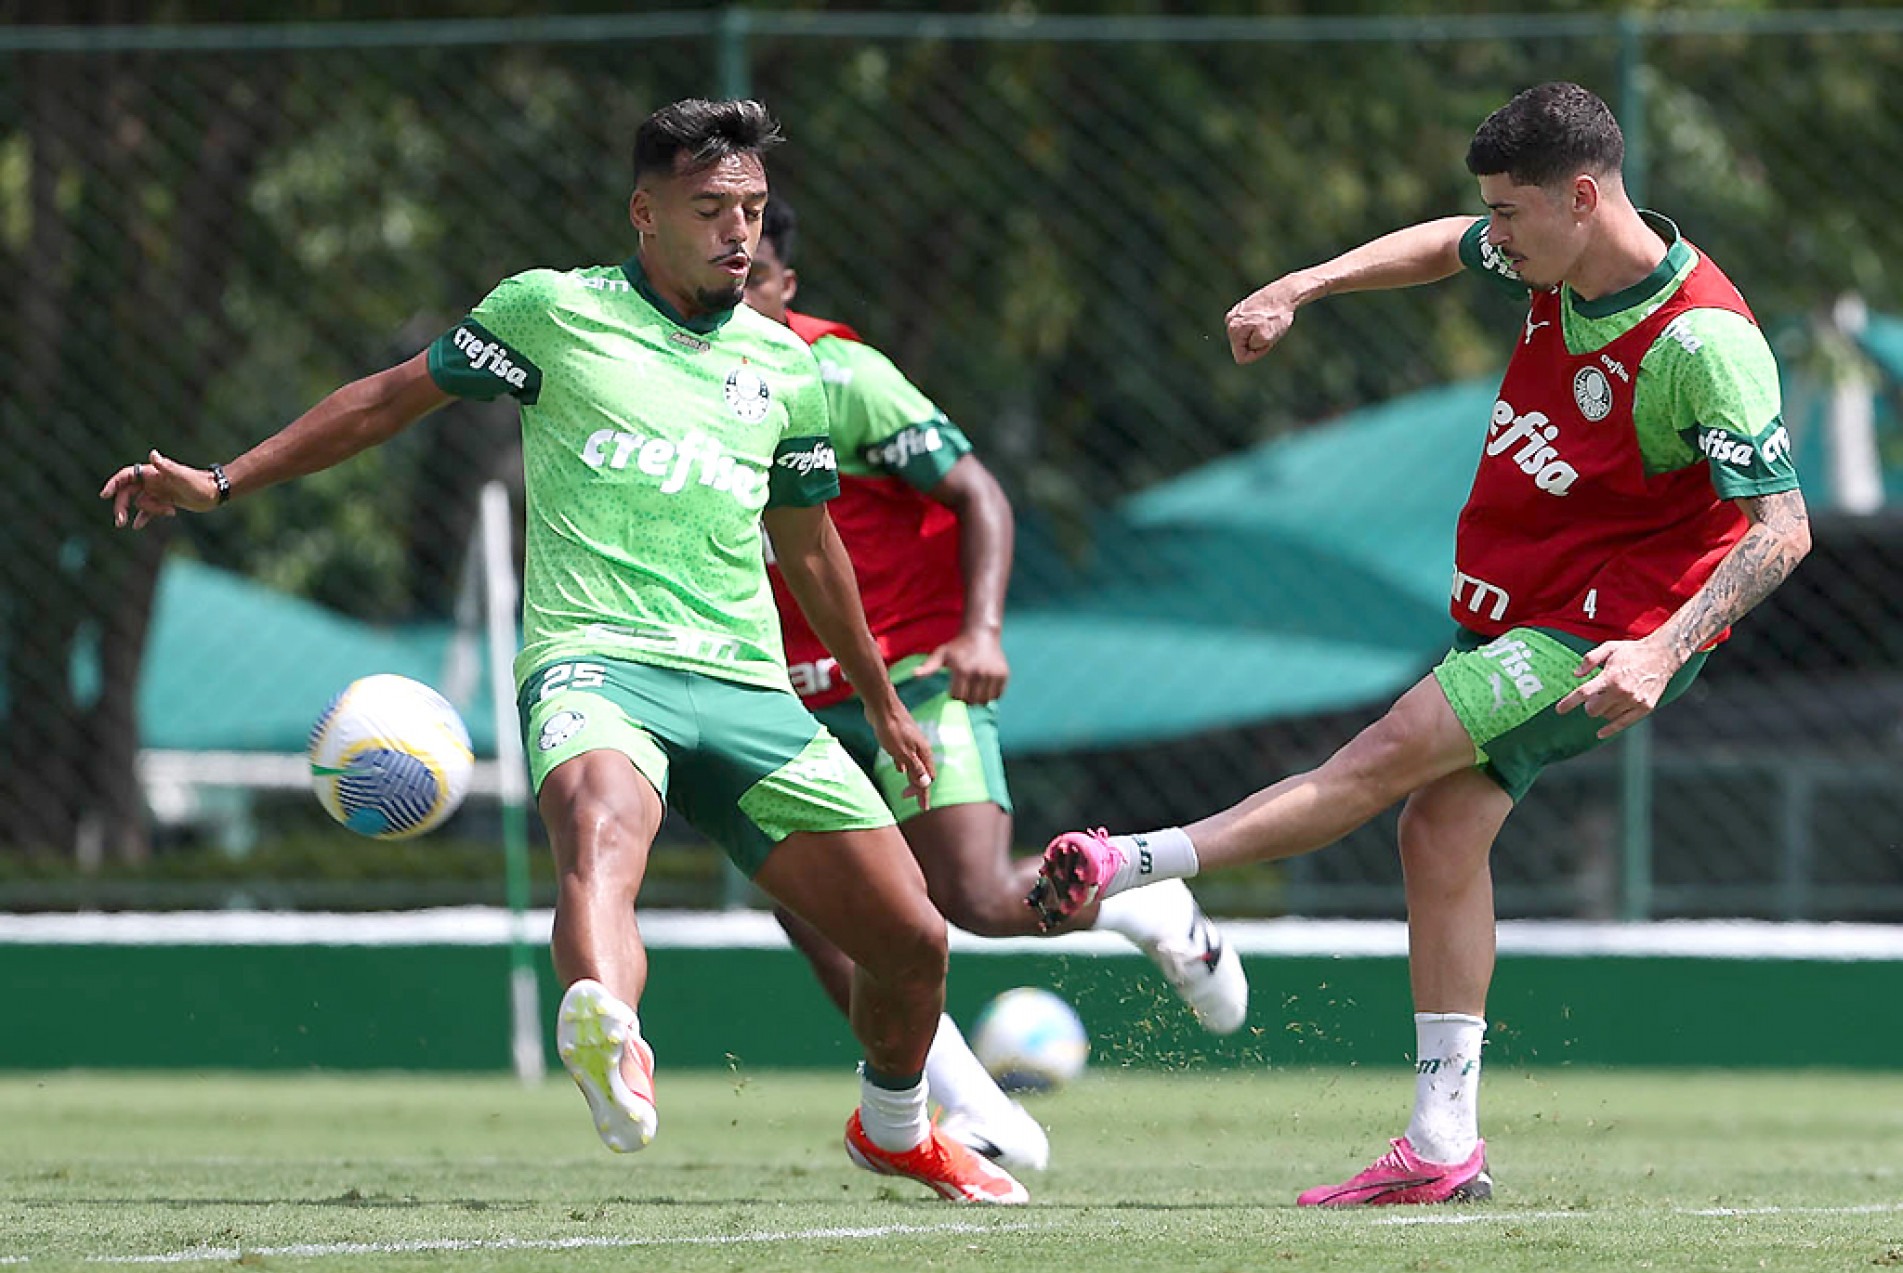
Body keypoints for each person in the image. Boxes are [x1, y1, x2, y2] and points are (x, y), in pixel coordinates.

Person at [101, 97, 1028, 1206]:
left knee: (913, 939)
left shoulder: (787, 368)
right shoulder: (550, 313)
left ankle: (893, 1126)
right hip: (598, 660)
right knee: (600, 837)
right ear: (645, 213)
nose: (739, 233)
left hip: (744, 682)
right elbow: (384, 403)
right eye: (710, 210)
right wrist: (219, 482)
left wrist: (877, 701)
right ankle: (616, 1039)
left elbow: (812, 548)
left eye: (752, 209)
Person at [1028, 81, 1810, 1206]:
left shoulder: (1701, 344)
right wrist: (1300, 285)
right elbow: (1443, 247)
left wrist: (1658, 649)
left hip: (1607, 630)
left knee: (1385, 754)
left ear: (1581, 198)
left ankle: (1129, 867)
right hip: (1529, 597)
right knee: (1437, 832)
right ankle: (1443, 1144)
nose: (1493, 236)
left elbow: (1783, 530)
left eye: (1509, 213)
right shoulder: (1552, 256)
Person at [744, 200, 1251, 1174]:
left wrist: (979, 630)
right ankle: (985, 1115)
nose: (736, 292)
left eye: (755, 275)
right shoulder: (686, 382)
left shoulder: (843, 375)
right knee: (813, 912)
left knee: (972, 895)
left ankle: (1146, 907)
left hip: (913, 670)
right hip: (785, 700)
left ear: (787, 284)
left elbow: (979, 493)